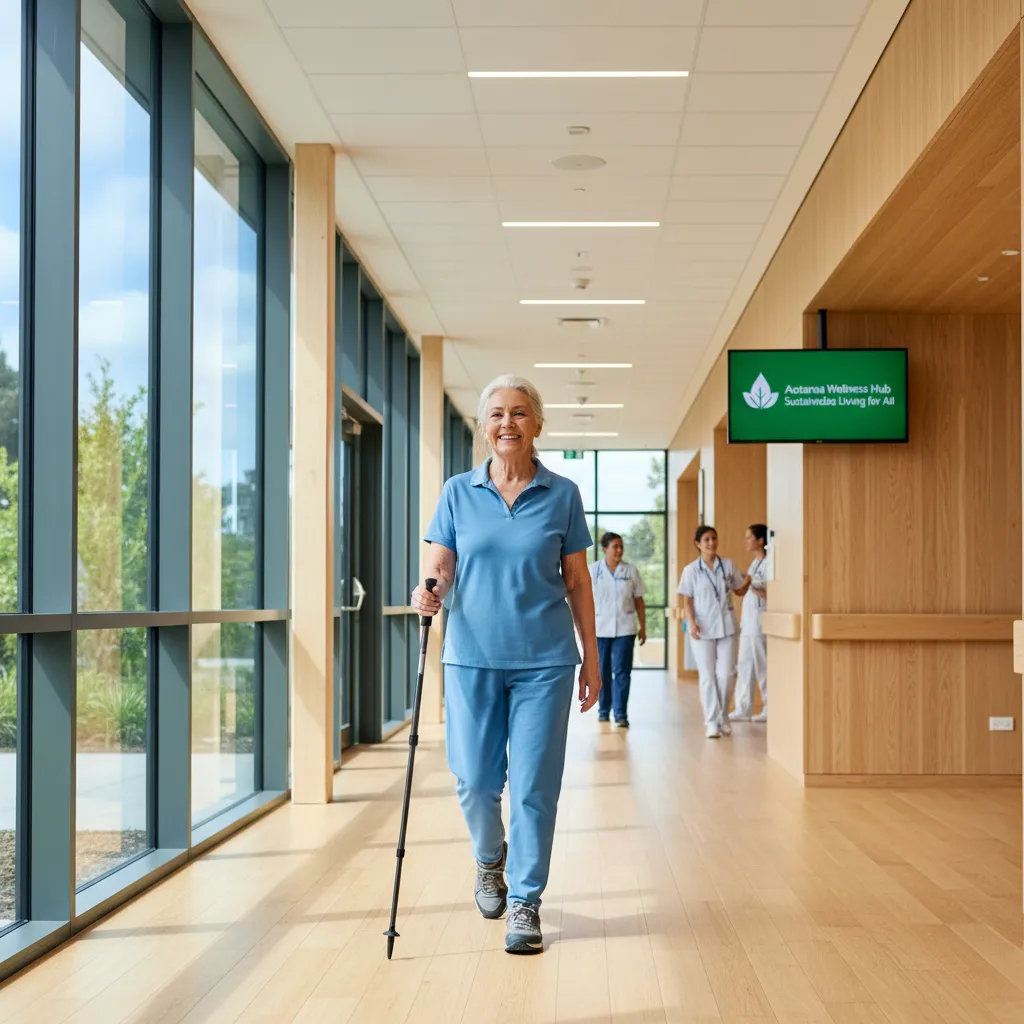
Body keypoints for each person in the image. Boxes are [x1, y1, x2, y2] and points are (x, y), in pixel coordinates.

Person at [411, 374, 600, 956]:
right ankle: (489, 858)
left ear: (537, 424)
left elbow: (577, 580)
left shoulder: (563, 494)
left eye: (519, 413)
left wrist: (592, 657)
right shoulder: (457, 492)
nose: (507, 423)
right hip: (471, 658)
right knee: (474, 781)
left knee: (535, 786)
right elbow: (441, 564)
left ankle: (525, 899)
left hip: (545, 661)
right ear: (482, 426)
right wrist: (429, 590)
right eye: (496, 414)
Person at [677, 525, 744, 739]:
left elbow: (739, 589)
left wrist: (752, 578)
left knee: (727, 674)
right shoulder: (691, 570)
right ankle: (712, 721)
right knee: (707, 676)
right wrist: (691, 623)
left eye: (714, 538)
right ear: (698, 544)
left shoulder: (728, 565)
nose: (711, 543)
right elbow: (687, 600)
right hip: (702, 629)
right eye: (706, 539)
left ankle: (723, 716)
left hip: (727, 626)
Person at [589, 532, 646, 728]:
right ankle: (603, 710)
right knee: (602, 672)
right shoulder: (594, 570)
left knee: (622, 672)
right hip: (600, 629)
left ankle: (621, 714)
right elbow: (584, 600)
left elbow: (639, 600)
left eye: (621, 546)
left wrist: (643, 627)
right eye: (615, 546)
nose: (620, 550)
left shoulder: (630, 570)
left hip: (625, 628)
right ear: (605, 549)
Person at [731, 524, 769, 724]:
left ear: (760, 540)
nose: (745, 541)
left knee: (763, 666)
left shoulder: (770, 563)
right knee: (744, 665)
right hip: (748, 622)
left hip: (760, 621)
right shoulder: (755, 562)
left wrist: (748, 583)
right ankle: (742, 708)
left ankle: (769, 708)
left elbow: (771, 591)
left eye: (749, 537)